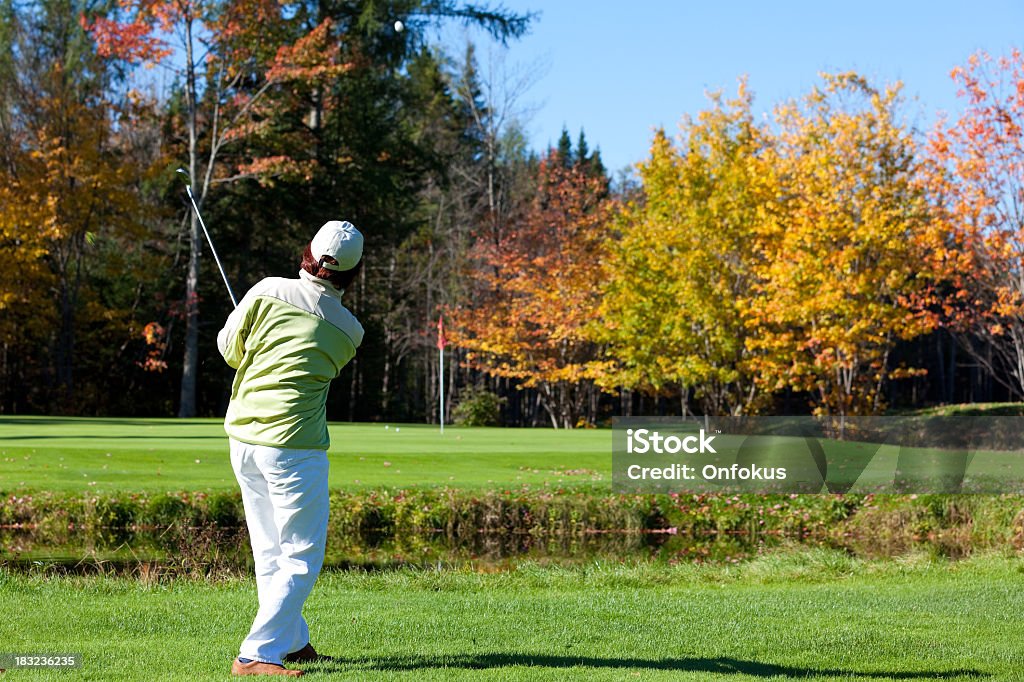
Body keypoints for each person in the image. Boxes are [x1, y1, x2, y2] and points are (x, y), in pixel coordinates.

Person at [217, 220, 365, 677]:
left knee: (270, 550)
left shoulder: (265, 290)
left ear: (308, 252)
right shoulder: (349, 332)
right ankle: (257, 654)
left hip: (243, 439)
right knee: (300, 555)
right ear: (352, 273)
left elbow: (229, 351)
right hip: (294, 450)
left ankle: (294, 641)